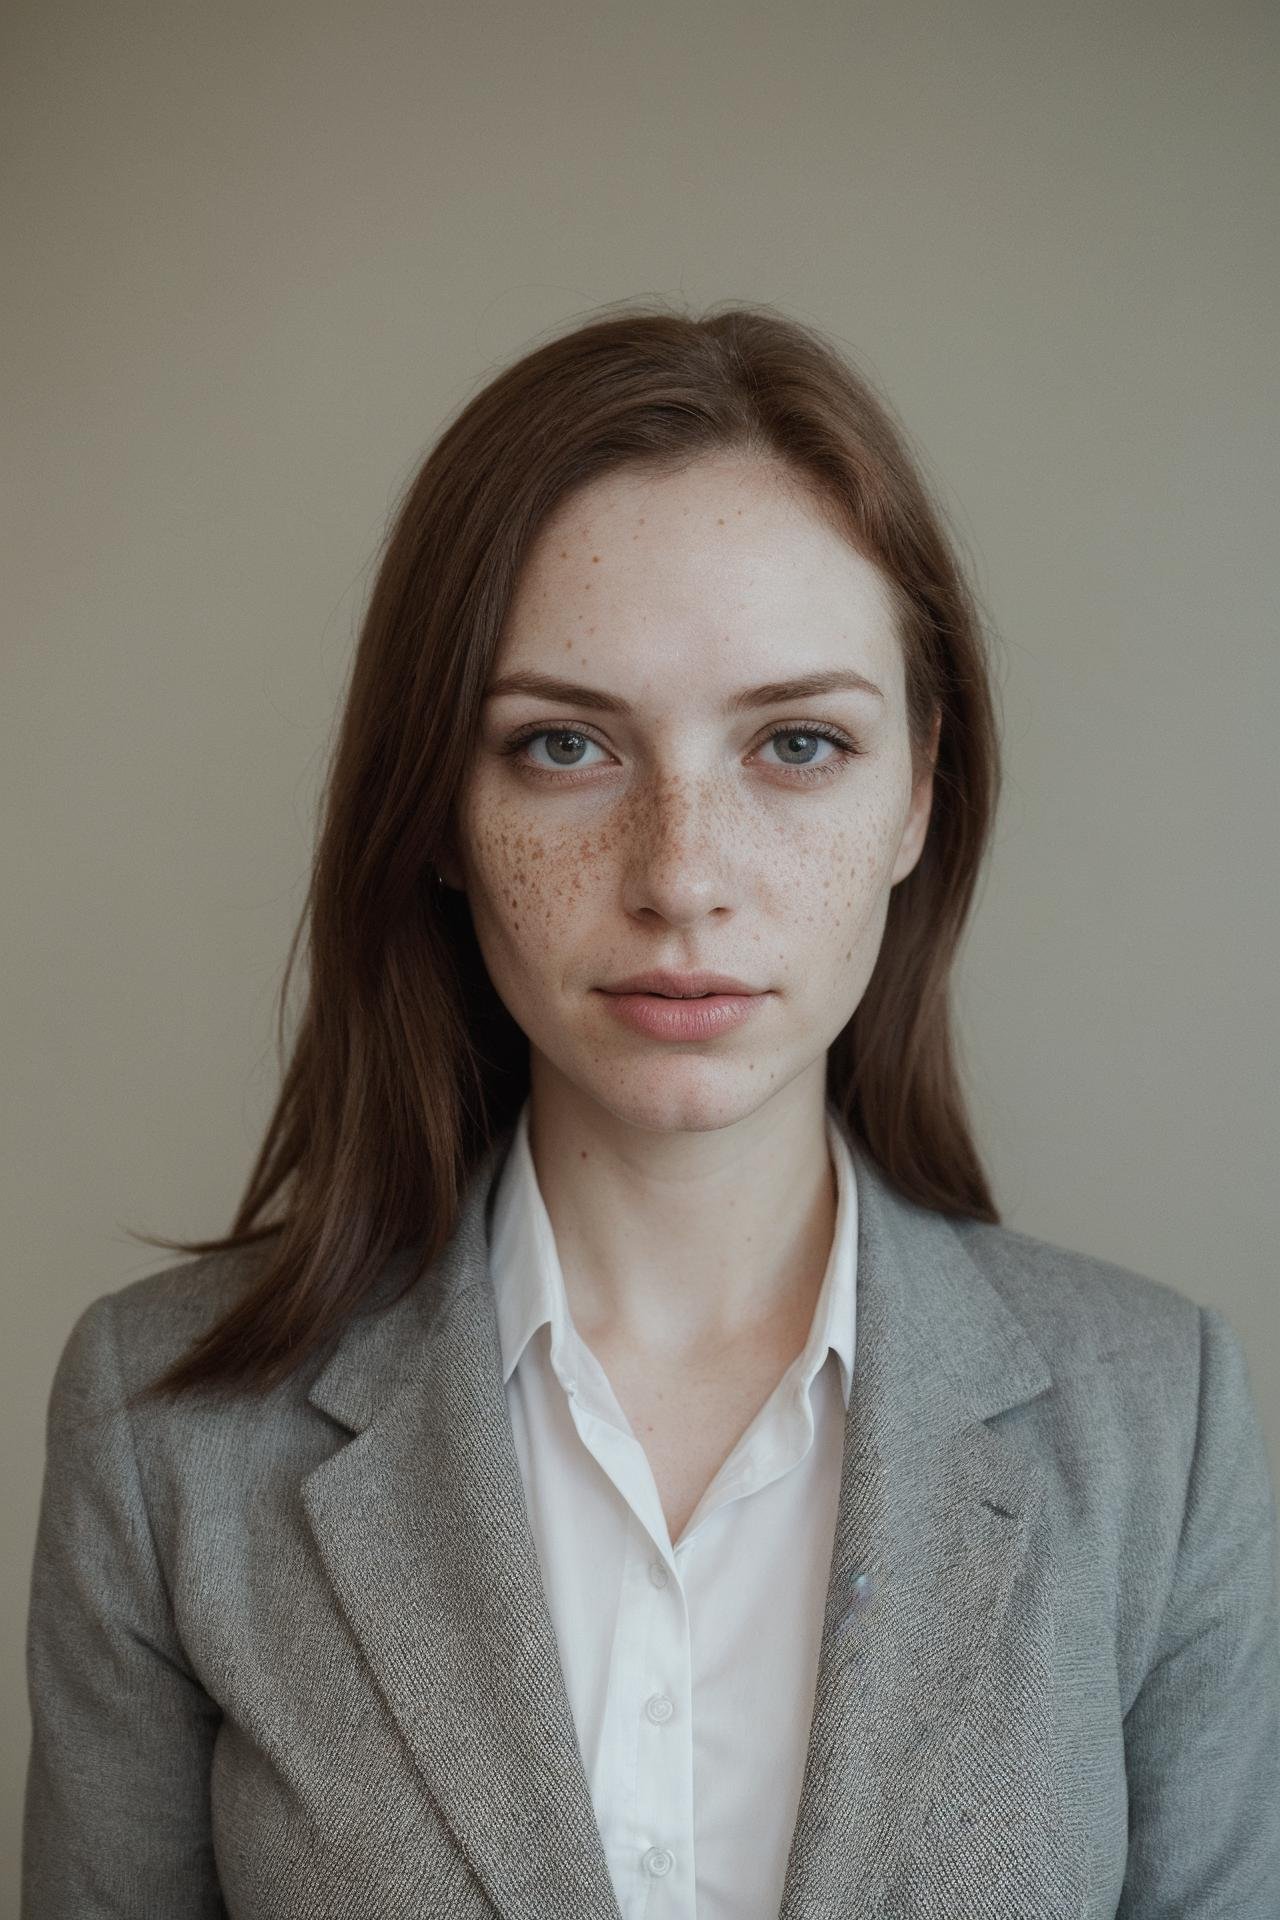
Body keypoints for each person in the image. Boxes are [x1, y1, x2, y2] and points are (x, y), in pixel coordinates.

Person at [21, 303, 1279, 1919]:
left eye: (799, 744)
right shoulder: (163, 1438)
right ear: (441, 811)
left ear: (917, 792)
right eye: (563, 745)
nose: (681, 875)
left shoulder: (1157, 1429)